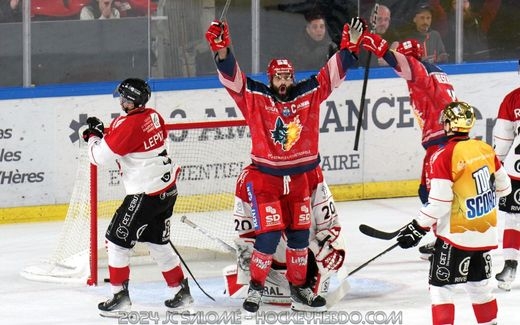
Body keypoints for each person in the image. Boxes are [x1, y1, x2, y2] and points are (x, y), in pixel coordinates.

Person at [205, 17, 366, 313]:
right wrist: (223, 49)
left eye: (287, 76)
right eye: (278, 77)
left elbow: (331, 75)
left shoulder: (308, 94)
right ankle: (255, 288)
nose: (283, 82)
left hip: (300, 179)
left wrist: (350, 47)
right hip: (266, 179)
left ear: (292, 77)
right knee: (267, 236)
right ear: (270, 79)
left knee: (299, 237)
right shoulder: (255, 97)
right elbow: (232, 78)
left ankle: (299, 288)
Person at [82, 78, 193, 317]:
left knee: (116, 241)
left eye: (123, 97)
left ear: (132, 101)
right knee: (158, 243)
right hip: (166, 190)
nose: (120, 101)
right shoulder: (153, 115)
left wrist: (93, 136)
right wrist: (106, 133)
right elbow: (131, 138)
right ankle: (181, 293)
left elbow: (99, 157)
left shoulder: (128, 124)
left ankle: (119, 297)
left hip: (145, 193)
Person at [394, 101, 512, 325]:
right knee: (480, 289)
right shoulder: (485, 149)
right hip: (485, 236)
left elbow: (439, 203)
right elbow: (505, 188)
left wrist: (417, 227)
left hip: (455, 238)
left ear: (449, 124)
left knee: (441, 290)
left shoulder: (444, 155)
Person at [361, 32, 456, 258]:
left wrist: (377, 46)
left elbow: (398, 61)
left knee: (431, 193)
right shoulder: (436, 72)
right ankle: (445, 237)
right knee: (433, 192)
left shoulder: (419, 71)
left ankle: (447, 240)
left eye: (403, 58)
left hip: (441, 142)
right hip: (447, 138)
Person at [227, 165, 345, 303]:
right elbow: (246, 235)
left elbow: (330, 223)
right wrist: (254, 275)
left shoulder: (310, 170)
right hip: (270, 273)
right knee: (268, 236)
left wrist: (325, 252)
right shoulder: (250, 177)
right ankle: (258, 286)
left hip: (308, 268)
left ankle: (300, 283)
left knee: (304, 226)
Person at [493, 84, 520, 291]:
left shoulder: (513, 98)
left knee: (514, 218)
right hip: (516, 170)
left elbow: (502, 142)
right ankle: (509, 266)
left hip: (516, 169)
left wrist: (495, 165)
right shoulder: (511, 98)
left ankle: (510, 267)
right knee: (513, 218)